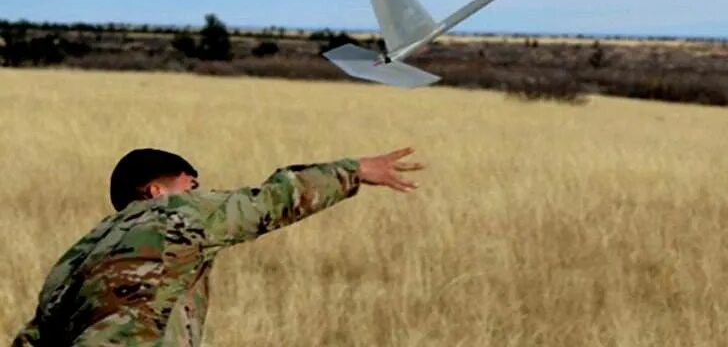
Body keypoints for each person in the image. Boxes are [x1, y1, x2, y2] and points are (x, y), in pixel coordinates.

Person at [12, 146, 423, 346]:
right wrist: (354, 172)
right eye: (189, 178)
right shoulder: (177, 213)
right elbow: (270, 202)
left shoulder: (79, 253)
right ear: (157, 190)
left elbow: (33, 338)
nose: (196, 186)